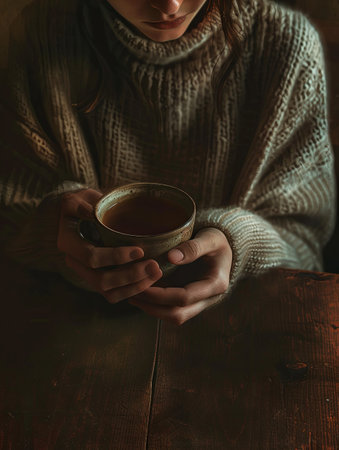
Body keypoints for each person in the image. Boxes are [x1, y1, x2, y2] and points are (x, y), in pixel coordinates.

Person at [0, 0, 336, 324]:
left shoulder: (287, 46)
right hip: (64, 330)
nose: (170, 6)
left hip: (238, 338)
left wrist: (242, 246)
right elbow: (12, 212)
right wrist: (51, 227)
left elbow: (305, 243)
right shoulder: (40, 36)